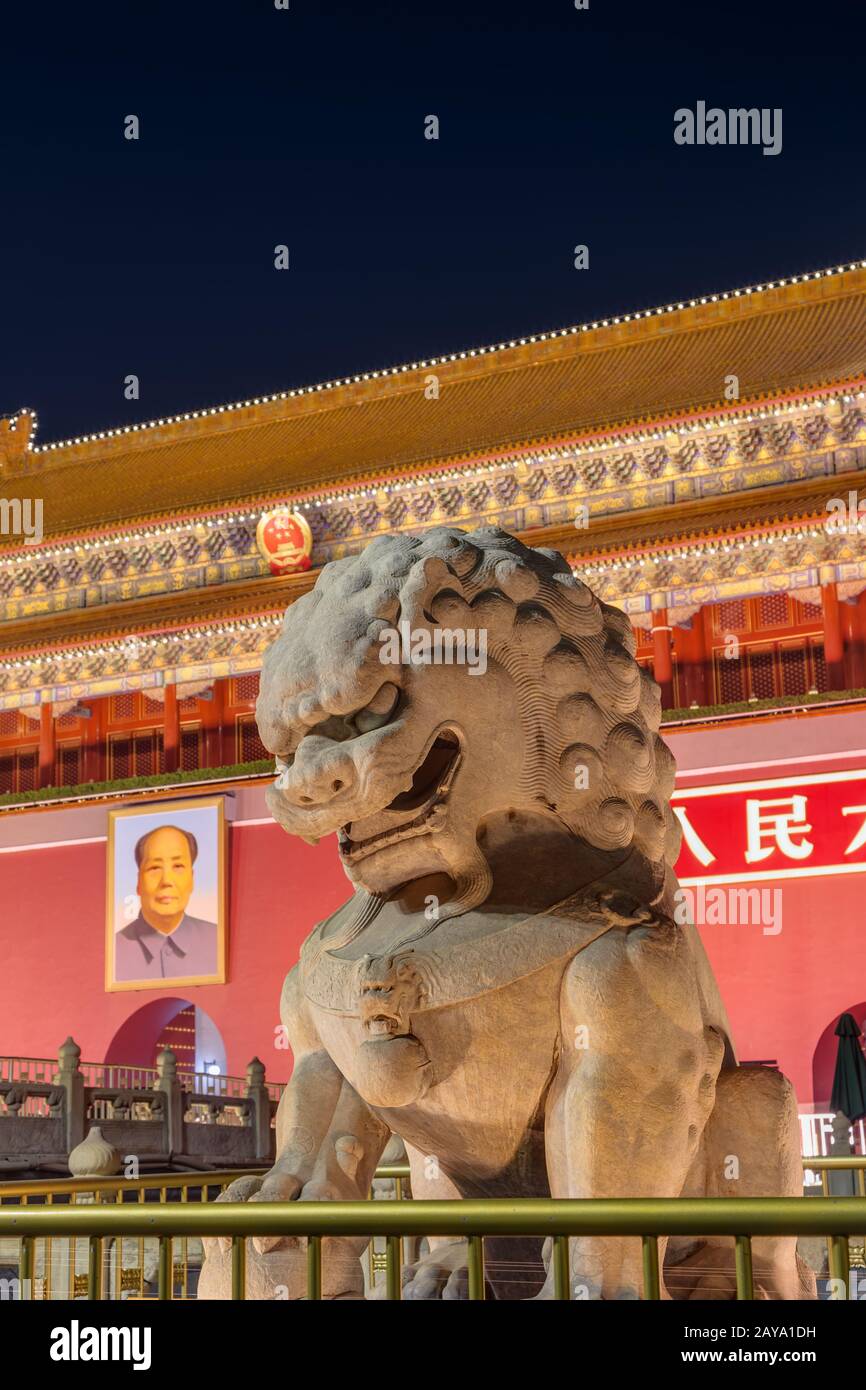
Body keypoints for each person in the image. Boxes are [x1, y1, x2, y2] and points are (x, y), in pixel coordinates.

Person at [114, 824, 218, 982]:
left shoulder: (218, 941)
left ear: (192, 878)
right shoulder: (113, 951)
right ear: (139, 882)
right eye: (155, 868)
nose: (167, 881)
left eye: (178, 866)